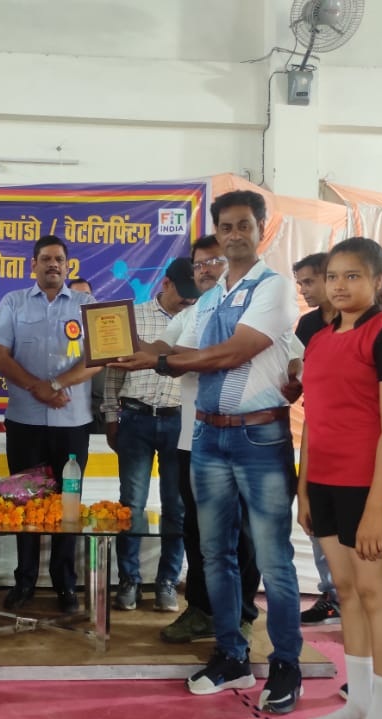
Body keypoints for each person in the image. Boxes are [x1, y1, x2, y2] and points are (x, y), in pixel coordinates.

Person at [111, 191, 303, 715]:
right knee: (214, 554)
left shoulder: (273, 287)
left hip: (259, 437)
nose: (235, 234)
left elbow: (234, 352)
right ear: (217, 233)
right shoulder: (212, 296)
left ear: (261, 229)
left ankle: (286, 663)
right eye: (226, 226)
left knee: (272, 557)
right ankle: (231, 655)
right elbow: (174, 348)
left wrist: (163, 364)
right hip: (206, 437)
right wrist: (117, 348)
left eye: (244, 225)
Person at [297, 238, 382, 719]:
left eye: (353, 276)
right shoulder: (319, 338)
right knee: (346, 593)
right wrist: (305, 489)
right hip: (324, 483)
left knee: (376, 596)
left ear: (378, 281)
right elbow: (314, 419)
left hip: (370, 487)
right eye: (333, 276)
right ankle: (361, 705)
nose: (339, 286)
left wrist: (376, 508)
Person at [0, 235, 100, 614]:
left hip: (73, 422)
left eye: (59, 259)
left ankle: (65, 582)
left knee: (68, 503)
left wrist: (54, 385)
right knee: (24, 502)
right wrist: (37, 387)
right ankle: (25, 580)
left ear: (68, 266)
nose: (53, 264)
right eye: (46, 259)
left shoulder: (87, 305)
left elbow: (100, 357)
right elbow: (0, 357)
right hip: (25, 421)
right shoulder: (12, 302)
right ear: (33, 264)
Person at [157, 235, 260, 645]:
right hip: (192, 440)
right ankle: (200, 610)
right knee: (196, 531)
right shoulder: (193, 311)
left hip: (241, 440)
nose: (204, 270)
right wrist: (114, 340)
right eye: (198, 264)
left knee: (242, 532)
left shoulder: (255, 306)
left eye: (213, 261)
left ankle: (243, 613)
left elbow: (293, 358)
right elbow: (161, 350)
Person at [101, 258, 198, 612]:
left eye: (194, 297)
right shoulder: (132, 318)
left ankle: (167, 581)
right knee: (132, 504)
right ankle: (129, 580)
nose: (189, 301)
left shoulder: (198, 320)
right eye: (183, 294)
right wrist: (111, 416)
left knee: (177, 506)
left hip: (179, 422)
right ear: (165, 284)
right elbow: (114, 370)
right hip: (135, 419)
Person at [292, 252, 342, 627]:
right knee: (315, 517)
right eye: (301, 284)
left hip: (355, 434)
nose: (304, 290)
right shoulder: (308, 324)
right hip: (318, 426)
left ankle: (354, 596)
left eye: (309, 282)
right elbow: (296, 374)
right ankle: (332, 595)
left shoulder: (362, 322)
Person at [69, 277, 106, 435]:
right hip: (67, 408)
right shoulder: (56, 327)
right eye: (76, 295)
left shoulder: (106, 327)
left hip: (98, 409)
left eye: (86, 295)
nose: (82, 300)